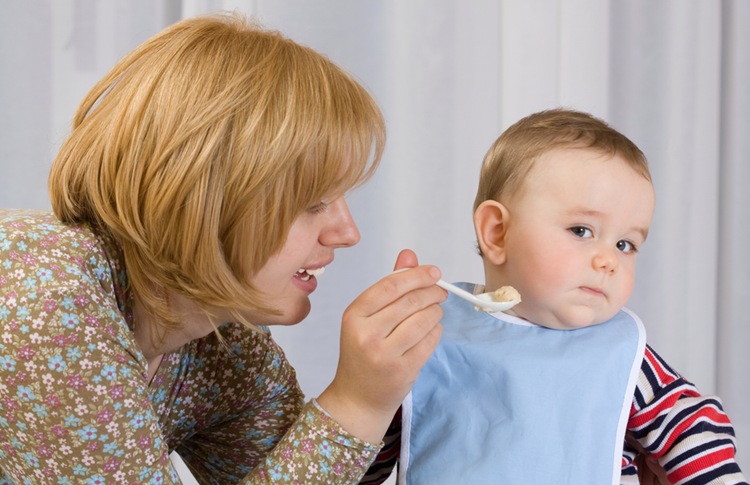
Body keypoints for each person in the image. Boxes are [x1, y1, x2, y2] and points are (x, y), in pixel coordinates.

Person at [0, 13, 447, 485]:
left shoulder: (222, 347)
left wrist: (380, 393)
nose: (346, 232)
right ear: (203, 197)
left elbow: (311, 467)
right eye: (314, 202)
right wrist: (355, 404)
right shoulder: (45, 305)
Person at [388, 109, 747, 484]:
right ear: (496, 233)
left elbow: (691, 425)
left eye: (626, 244)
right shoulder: (430, 335)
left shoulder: (620, 354)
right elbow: (366, 450)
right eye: (581, 230)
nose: (608, 260)